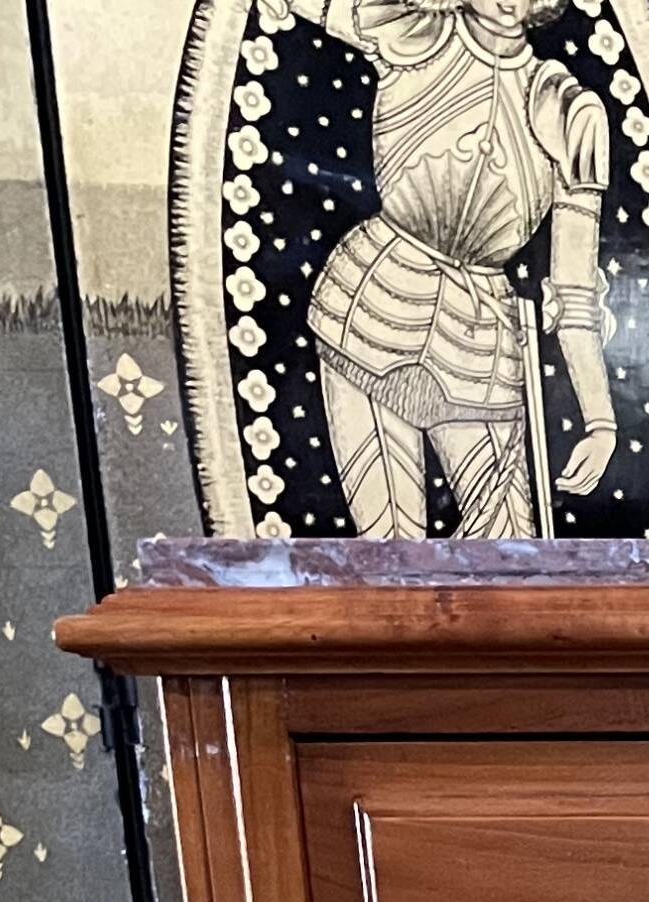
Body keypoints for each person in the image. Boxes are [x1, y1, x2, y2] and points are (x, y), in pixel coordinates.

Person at [262, 0, 621, 538]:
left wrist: (600, 420)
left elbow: (574, 289)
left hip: (483, 345)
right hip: (368, 312)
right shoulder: (411, 32)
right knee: (390, 549)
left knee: (508, 549)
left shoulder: (570, 110)